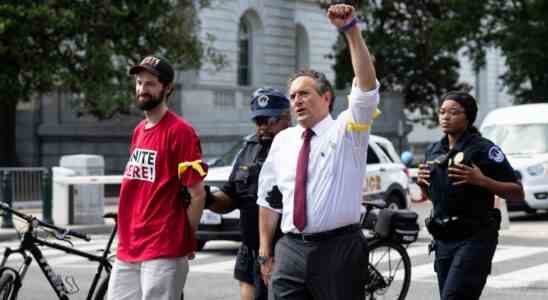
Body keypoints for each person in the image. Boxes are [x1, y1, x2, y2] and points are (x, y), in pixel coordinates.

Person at [256, 4, 380, 299]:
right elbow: (270, 199)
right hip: (290, 249)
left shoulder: (349, 130)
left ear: (326, 97)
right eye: (293, 96)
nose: (297, 100)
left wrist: (350, 31)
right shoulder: (283, 140)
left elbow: (366, 87)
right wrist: (265, 251)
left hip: (338, 249)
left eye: (305, 93)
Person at [107, 55, 207, 300]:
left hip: (163, 246)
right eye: (139, 83)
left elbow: (197, 193)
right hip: (128, 245)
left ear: (167, 88)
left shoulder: (181, 132)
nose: (142, 89)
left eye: (150, 83)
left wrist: (187, 237)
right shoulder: (139, 131)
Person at [416, 91, 524, 300]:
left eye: (454, 112)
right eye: (442, 112)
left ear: (468, 117)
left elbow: (518, 193)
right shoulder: (434, 150)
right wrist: (423, 185)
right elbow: (439, 198)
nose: (445, 117)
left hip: (475, 238)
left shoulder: (484, 149)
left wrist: (482, 180)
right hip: (443, 238)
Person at [203, 88, 291, 300]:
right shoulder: (249, 147)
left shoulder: (297, 147)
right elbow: (231, 196)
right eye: (258, 120)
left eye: (270, 119)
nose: (263, 127)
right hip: (250, 248)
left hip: (286, 250)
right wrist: (207, 199)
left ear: (287, 118)